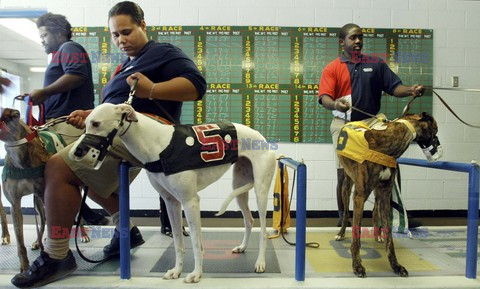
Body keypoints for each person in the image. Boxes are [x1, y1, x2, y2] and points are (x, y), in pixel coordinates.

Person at [11, 2, 206, 288]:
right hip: (117, 132)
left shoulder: (162, 52)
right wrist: (91, 115)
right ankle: (125, 229)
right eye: (115, 35)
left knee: (58, 168)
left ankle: (56, 255)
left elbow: (196, 86)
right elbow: (120, 105)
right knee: (75, 173)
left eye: (126, 32)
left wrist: (152, 89)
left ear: (143, 25)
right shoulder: (127, 64)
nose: (121, 40)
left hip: (141, 135)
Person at [318, 23, 424, 230]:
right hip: (344, 124)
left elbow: (395, 88)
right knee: (344, 173)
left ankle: (394, 215)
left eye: (360, 37)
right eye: (353, 38)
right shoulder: (332, 68)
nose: (358, 41)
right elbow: (324, 98)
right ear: (342, 42)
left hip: (372, 122)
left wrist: (411, 89)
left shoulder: (376, 64)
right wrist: (335, 104)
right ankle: (343, 218)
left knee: (390, 165)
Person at [31, 12, 108, 225]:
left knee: (64, 176)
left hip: (70, 124)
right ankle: (96, 217)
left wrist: (44, 92)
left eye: (45, 35)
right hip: (61, 125)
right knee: (67, 177)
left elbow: (77, 75)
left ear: (58, 33)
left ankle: (87, 219)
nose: (42, 40)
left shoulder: (69, 48)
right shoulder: (60, 54)